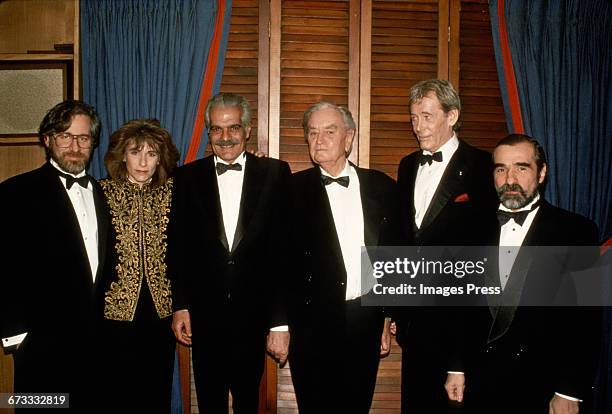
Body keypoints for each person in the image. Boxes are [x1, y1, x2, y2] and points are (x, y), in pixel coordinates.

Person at [449, 134, 600, 414]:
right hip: (479, 382)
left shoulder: (578, 231)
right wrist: (456, 367)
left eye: (521, 167)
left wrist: (569, 389)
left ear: (542, 173)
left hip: (543, 386)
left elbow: (586, 320)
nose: (510, 179)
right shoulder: (468, 227)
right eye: (501, 169)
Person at [169, 92, 291, 413]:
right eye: (217, 129)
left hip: (255, 317)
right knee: (209, 402)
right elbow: (177, 247)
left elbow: (283, 253)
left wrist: (279, 323)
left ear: (247, 130)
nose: (225, 138)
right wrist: (180, 305)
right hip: (204, 316)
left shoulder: (275, 174)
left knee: (249, 402)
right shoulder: (185, 177)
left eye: (233, 128)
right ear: (208, 132)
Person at [393, 79, 498, 413]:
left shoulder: (484, 168)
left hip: (461, 323)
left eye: (426, 116)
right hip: (414, 325)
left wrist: (460, 356)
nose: (418, 126)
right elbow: (403, 240)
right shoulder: (408, 165)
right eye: (413, 118)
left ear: (452, 116)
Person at [288, 101, 400, 413]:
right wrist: (280, 325)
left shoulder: (381, 187)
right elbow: (277, 264)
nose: (319, 139)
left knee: (357, 405)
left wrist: (386, 316)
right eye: (312, 133)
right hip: (310, 322)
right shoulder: (291, 189)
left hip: (364, 318)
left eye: (328, 131)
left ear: (348, 138)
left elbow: (390, 255)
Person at [0, 100, 108, 409]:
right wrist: (15, 335)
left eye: (84, 138)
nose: (75, 146)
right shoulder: (14, 193)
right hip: (40, 345)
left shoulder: (102, 193)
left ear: (93, 143)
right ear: (48, 140)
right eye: (65, 136)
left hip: (95, 344)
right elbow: (4, 268)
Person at [98, 119, 180, 413]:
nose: (144, 162)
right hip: (114, 313)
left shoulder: (175, 192)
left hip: (161, 311)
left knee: (156, 391)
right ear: (122, 155)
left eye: (152, 154)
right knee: (117, 393)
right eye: (135, 152)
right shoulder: (101, 193)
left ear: (162, 158)